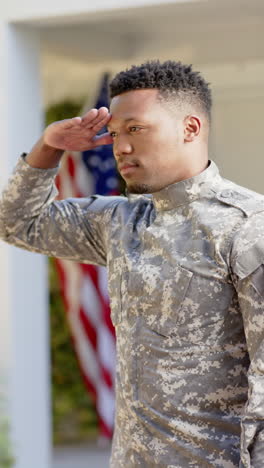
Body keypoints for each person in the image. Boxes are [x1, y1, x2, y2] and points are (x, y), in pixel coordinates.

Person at [0, 60, 264, 467]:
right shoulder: (121, 221)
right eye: (115, 133)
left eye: (136, 129)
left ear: (190, 128)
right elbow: (17, 224)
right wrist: (49, 146)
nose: (120, 147)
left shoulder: (247, 228)